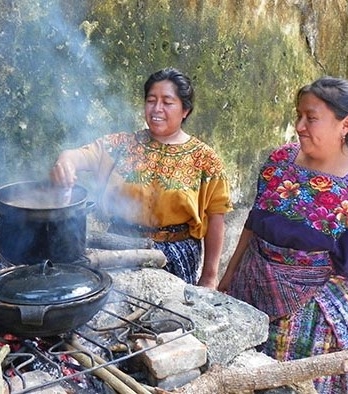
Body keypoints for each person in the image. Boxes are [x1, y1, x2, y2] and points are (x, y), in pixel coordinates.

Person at [218, 76, 348, 393]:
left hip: (315, 317)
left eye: (311, 118)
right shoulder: (278, 161)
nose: (300, 125)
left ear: (346, 125)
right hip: (251, 295)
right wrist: (228, 278)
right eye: (299, 115)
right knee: (242, 379)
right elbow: (253, 223)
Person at [51, 67, 233, 289]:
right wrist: (65, 162)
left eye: (167, 102)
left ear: (185, 110)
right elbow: (79, 155)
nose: (157, 109)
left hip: (175, 256)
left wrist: (210, 276)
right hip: (119, 248)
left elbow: (216, 218)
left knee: (167, 317)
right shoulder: (121, 145)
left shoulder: (204, 159)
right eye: (151, 100)